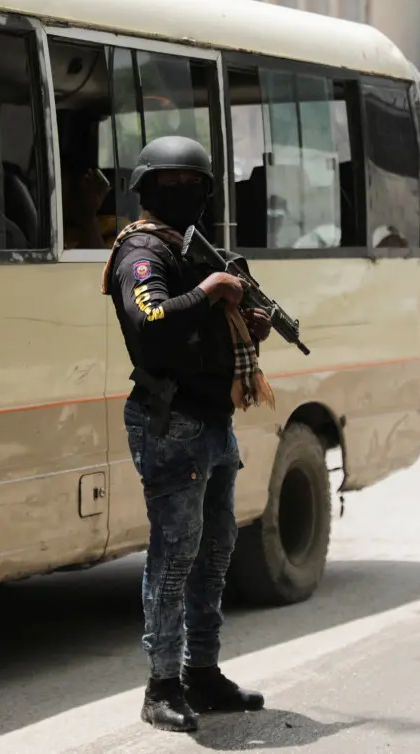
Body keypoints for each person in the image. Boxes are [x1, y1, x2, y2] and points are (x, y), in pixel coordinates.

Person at [101, 136, 271, 732]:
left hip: (212, 420)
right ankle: (162, 685)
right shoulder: (143, 252)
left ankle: (204, 672)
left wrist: (244, 323)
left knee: (215, 550)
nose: (182, 194)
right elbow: (149, 322)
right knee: (175, 557)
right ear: (146, 191)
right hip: (171, 421)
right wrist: (207, 293)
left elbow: (207, 329)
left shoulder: (196, 247)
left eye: (192, 184)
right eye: (169, 184)